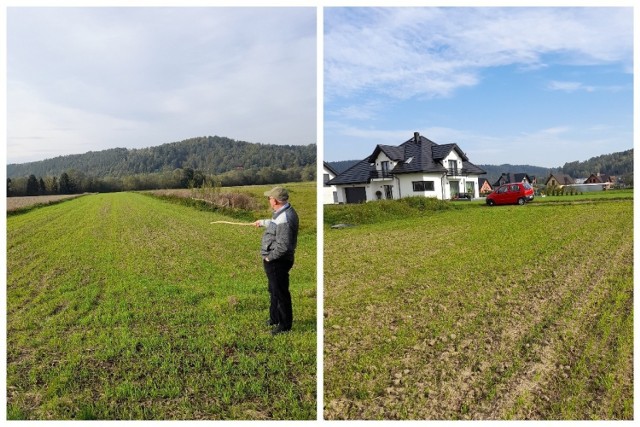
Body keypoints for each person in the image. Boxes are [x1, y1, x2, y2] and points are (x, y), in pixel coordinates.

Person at [254, 187, 299, 335]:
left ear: (275, 200)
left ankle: (284, 325)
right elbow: (275, 224)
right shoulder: (282, 213)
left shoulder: (285, 218)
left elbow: (283, 246)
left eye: (269, 198)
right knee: (273, 290)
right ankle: (274, 318)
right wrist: (263, 222)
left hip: (278, 261)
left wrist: (269, 258)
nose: (268, 200)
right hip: (275, 260)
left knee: (280, 292)